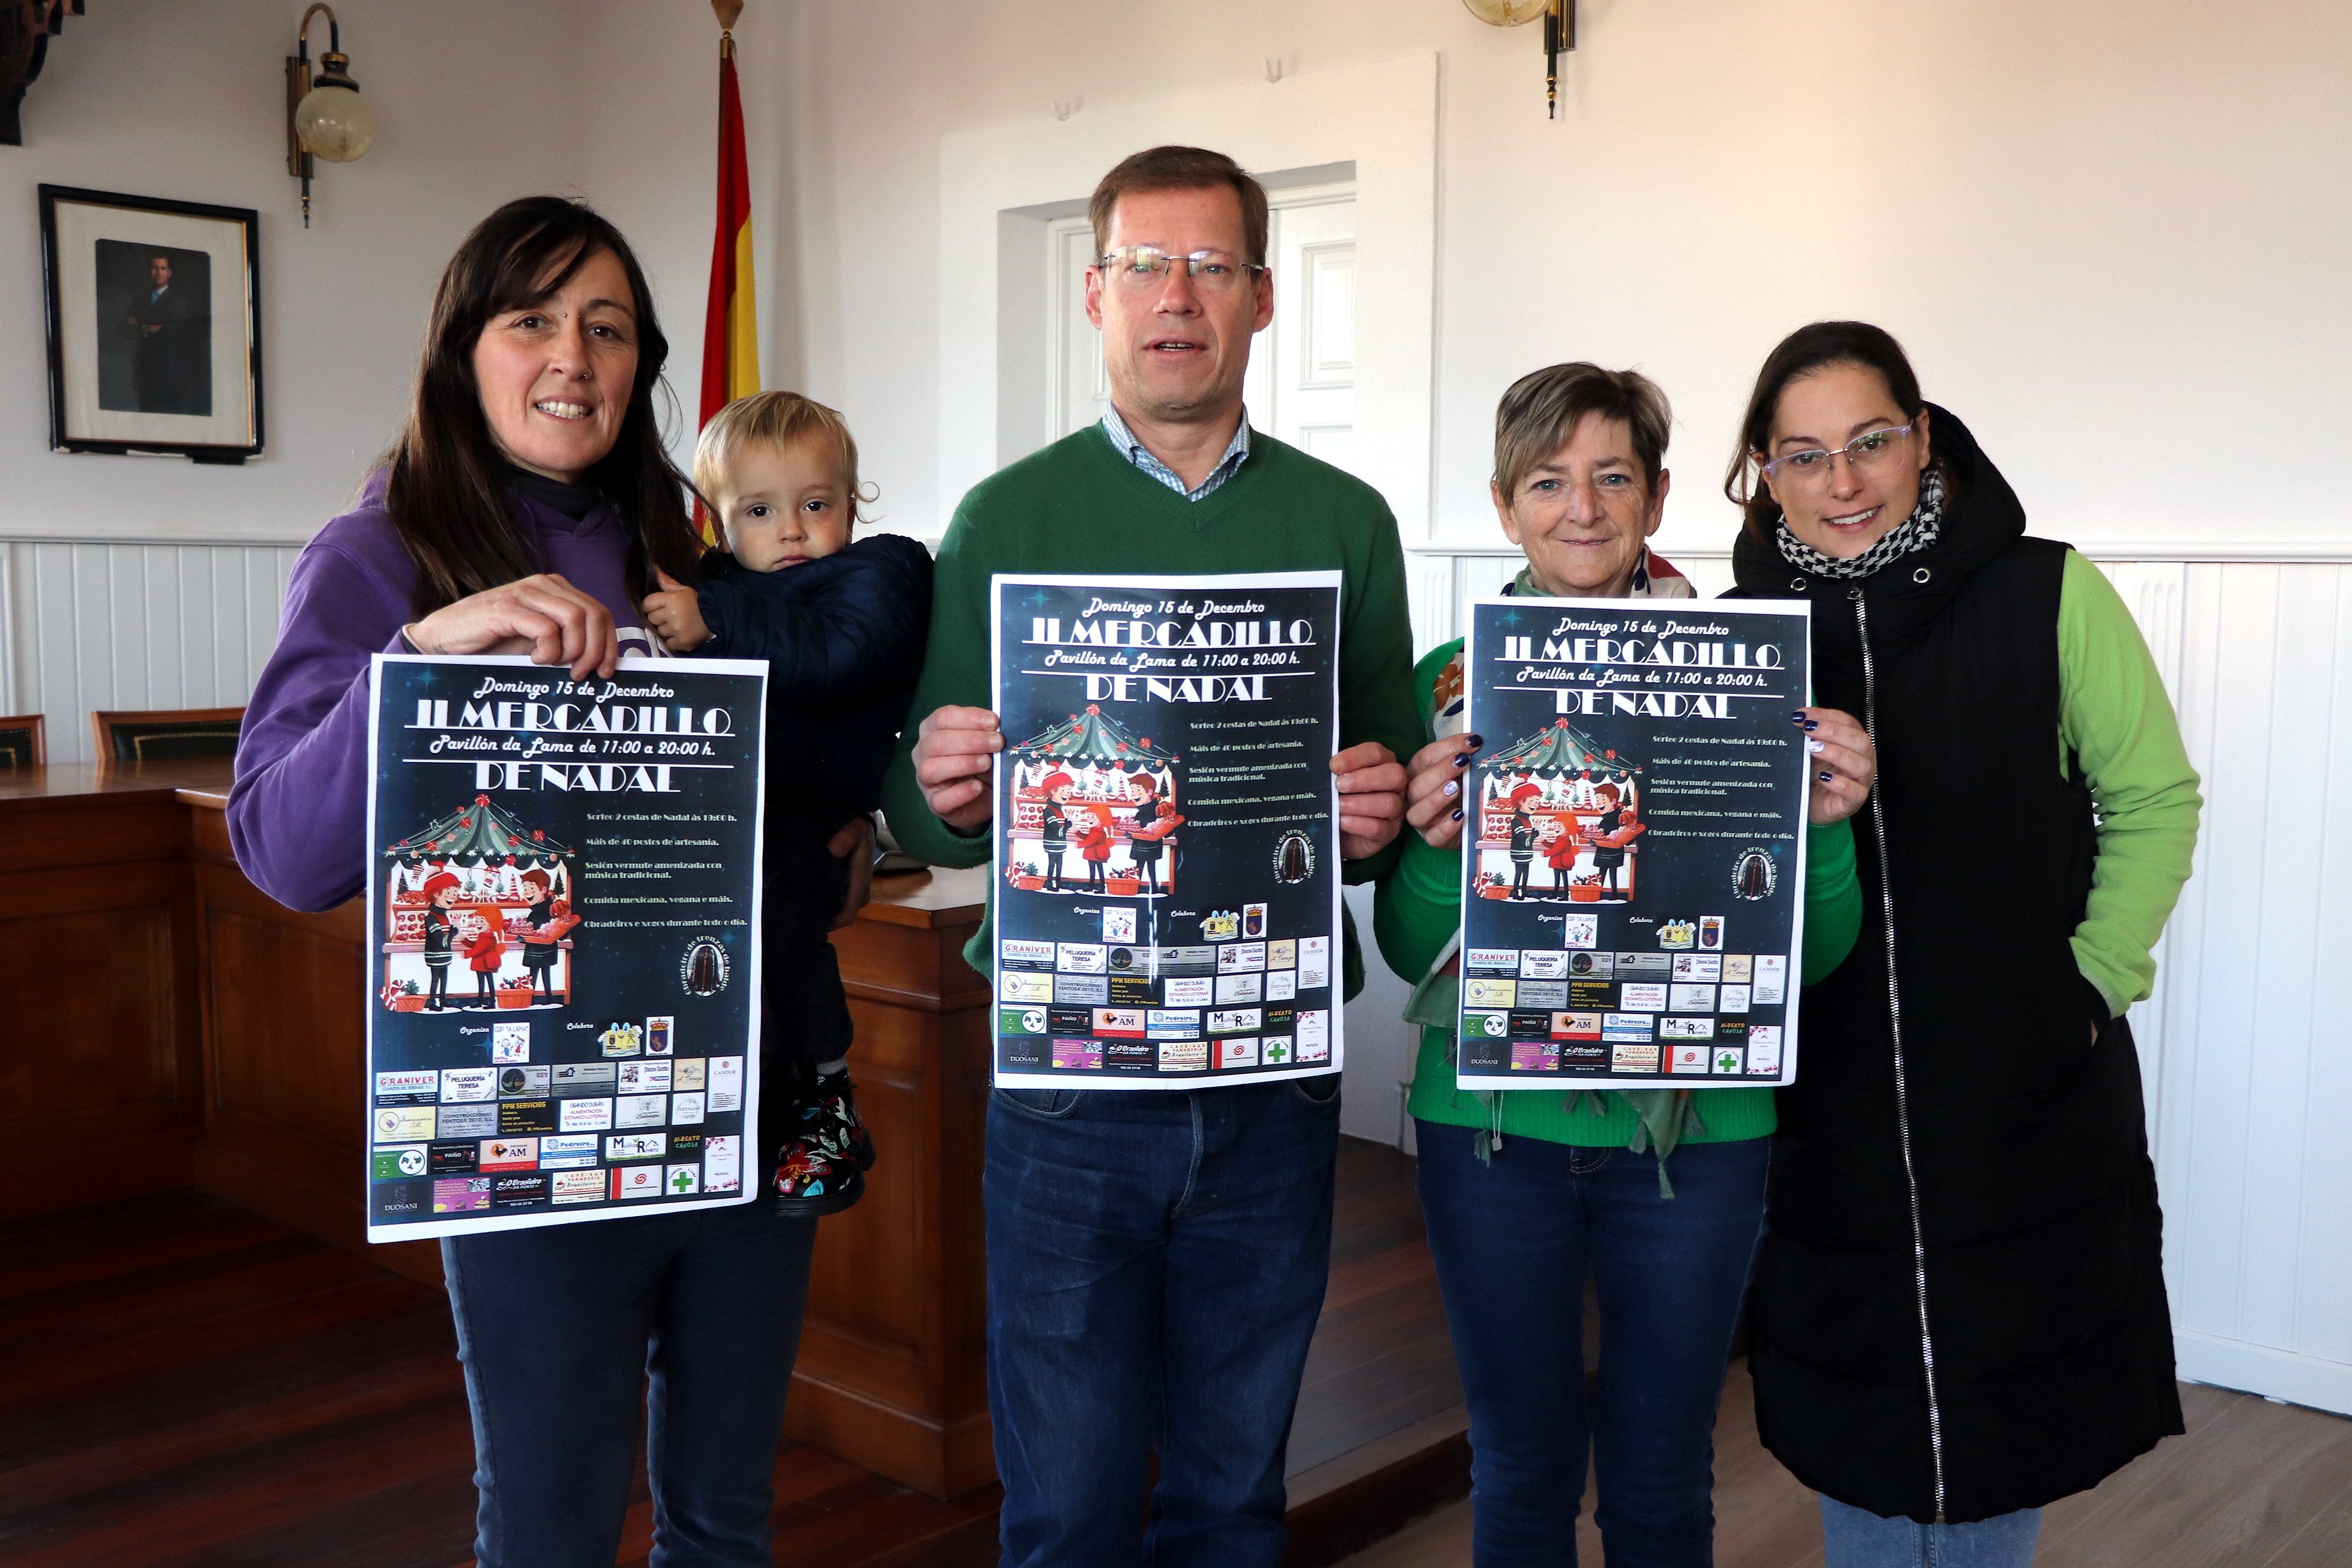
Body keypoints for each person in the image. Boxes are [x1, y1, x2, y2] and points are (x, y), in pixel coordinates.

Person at [228, 196, 858, 1568]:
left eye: (609, 326)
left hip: (731, 1116)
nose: (574, 354)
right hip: (532, 1130)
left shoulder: (695, 560)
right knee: (553, 1528)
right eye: (534, 320)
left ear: (640, 369)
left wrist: (829, 831)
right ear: (467, 348)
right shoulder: (376, 550)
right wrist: (424, 654)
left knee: (728, 1519)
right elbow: (281, 851)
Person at [880, 144, 1417, 1567]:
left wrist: (1373, 814)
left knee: (1237, 1492)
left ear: (1259, 299)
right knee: (1064, 1501)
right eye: (1145, 264)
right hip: (1072, 1077)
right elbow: (923, 806)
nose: (1177, 294)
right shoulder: (1006, 518)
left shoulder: (1343, 520)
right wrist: (938, 784)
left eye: (1213, 265)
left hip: (1271, 1066)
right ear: (1094, 293)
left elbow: (1385, 797)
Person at [1372, 361, 1874, 1567]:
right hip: (1491, 1127)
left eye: (1612, 476)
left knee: (1659, 1476)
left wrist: (1833, 827)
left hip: (1699, 1135)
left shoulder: (1754, 677)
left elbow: (1813, 959)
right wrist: (1442, 848)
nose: (1582, 508)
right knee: (1522, 1463)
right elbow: (1406, 949)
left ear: (1655, 495)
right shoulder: (1452, 679)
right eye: (1548, 480)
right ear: (1504, 505)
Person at [1723, 322, 2202, 1567]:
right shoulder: (1734, 637)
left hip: (2022, 1086)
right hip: (1821, 1099)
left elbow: (2152, 797)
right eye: (1803, 454)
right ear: (1763, 472)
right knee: (1852, 1407)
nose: (1843, 483)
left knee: (2006, 1409)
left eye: (1871, 442)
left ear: (1923, 437)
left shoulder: (2048, 590)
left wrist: (2091, 983)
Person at [639, 388, 933, 1217]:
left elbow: (841, 655)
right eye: (761, 510)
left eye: (816, 504)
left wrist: (717, 619)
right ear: (723, 524)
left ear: (853, 503)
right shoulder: (716, 588)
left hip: (812, 813)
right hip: (729, 815)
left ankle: (830, 1095)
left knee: (787, 931)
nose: (793, 530)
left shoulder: (883, 572)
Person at [120, 251, 209, 415]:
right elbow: (125, 330)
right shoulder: (141, 299)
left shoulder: (177, 302)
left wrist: (140, 324)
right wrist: (149, 327)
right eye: (155, 268)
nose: (158, 272)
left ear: (170, 272)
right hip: (145, 372)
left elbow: (170, 335)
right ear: (150, 270)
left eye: (163, 268)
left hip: (169, 373)